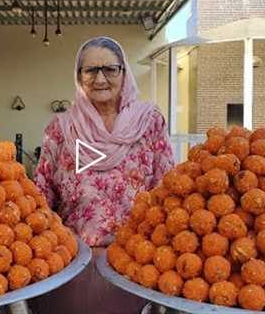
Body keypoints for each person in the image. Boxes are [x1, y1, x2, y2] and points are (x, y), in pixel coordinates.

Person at [30, 36, 175, 314]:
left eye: (110, 69)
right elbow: (40, 200)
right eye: (90, 70)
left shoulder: (149, 123)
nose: (100, 78)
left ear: (124, 72)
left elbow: (166, 190)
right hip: (71, 265)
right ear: (79, 76)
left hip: (134, 266)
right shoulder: (61, 129)